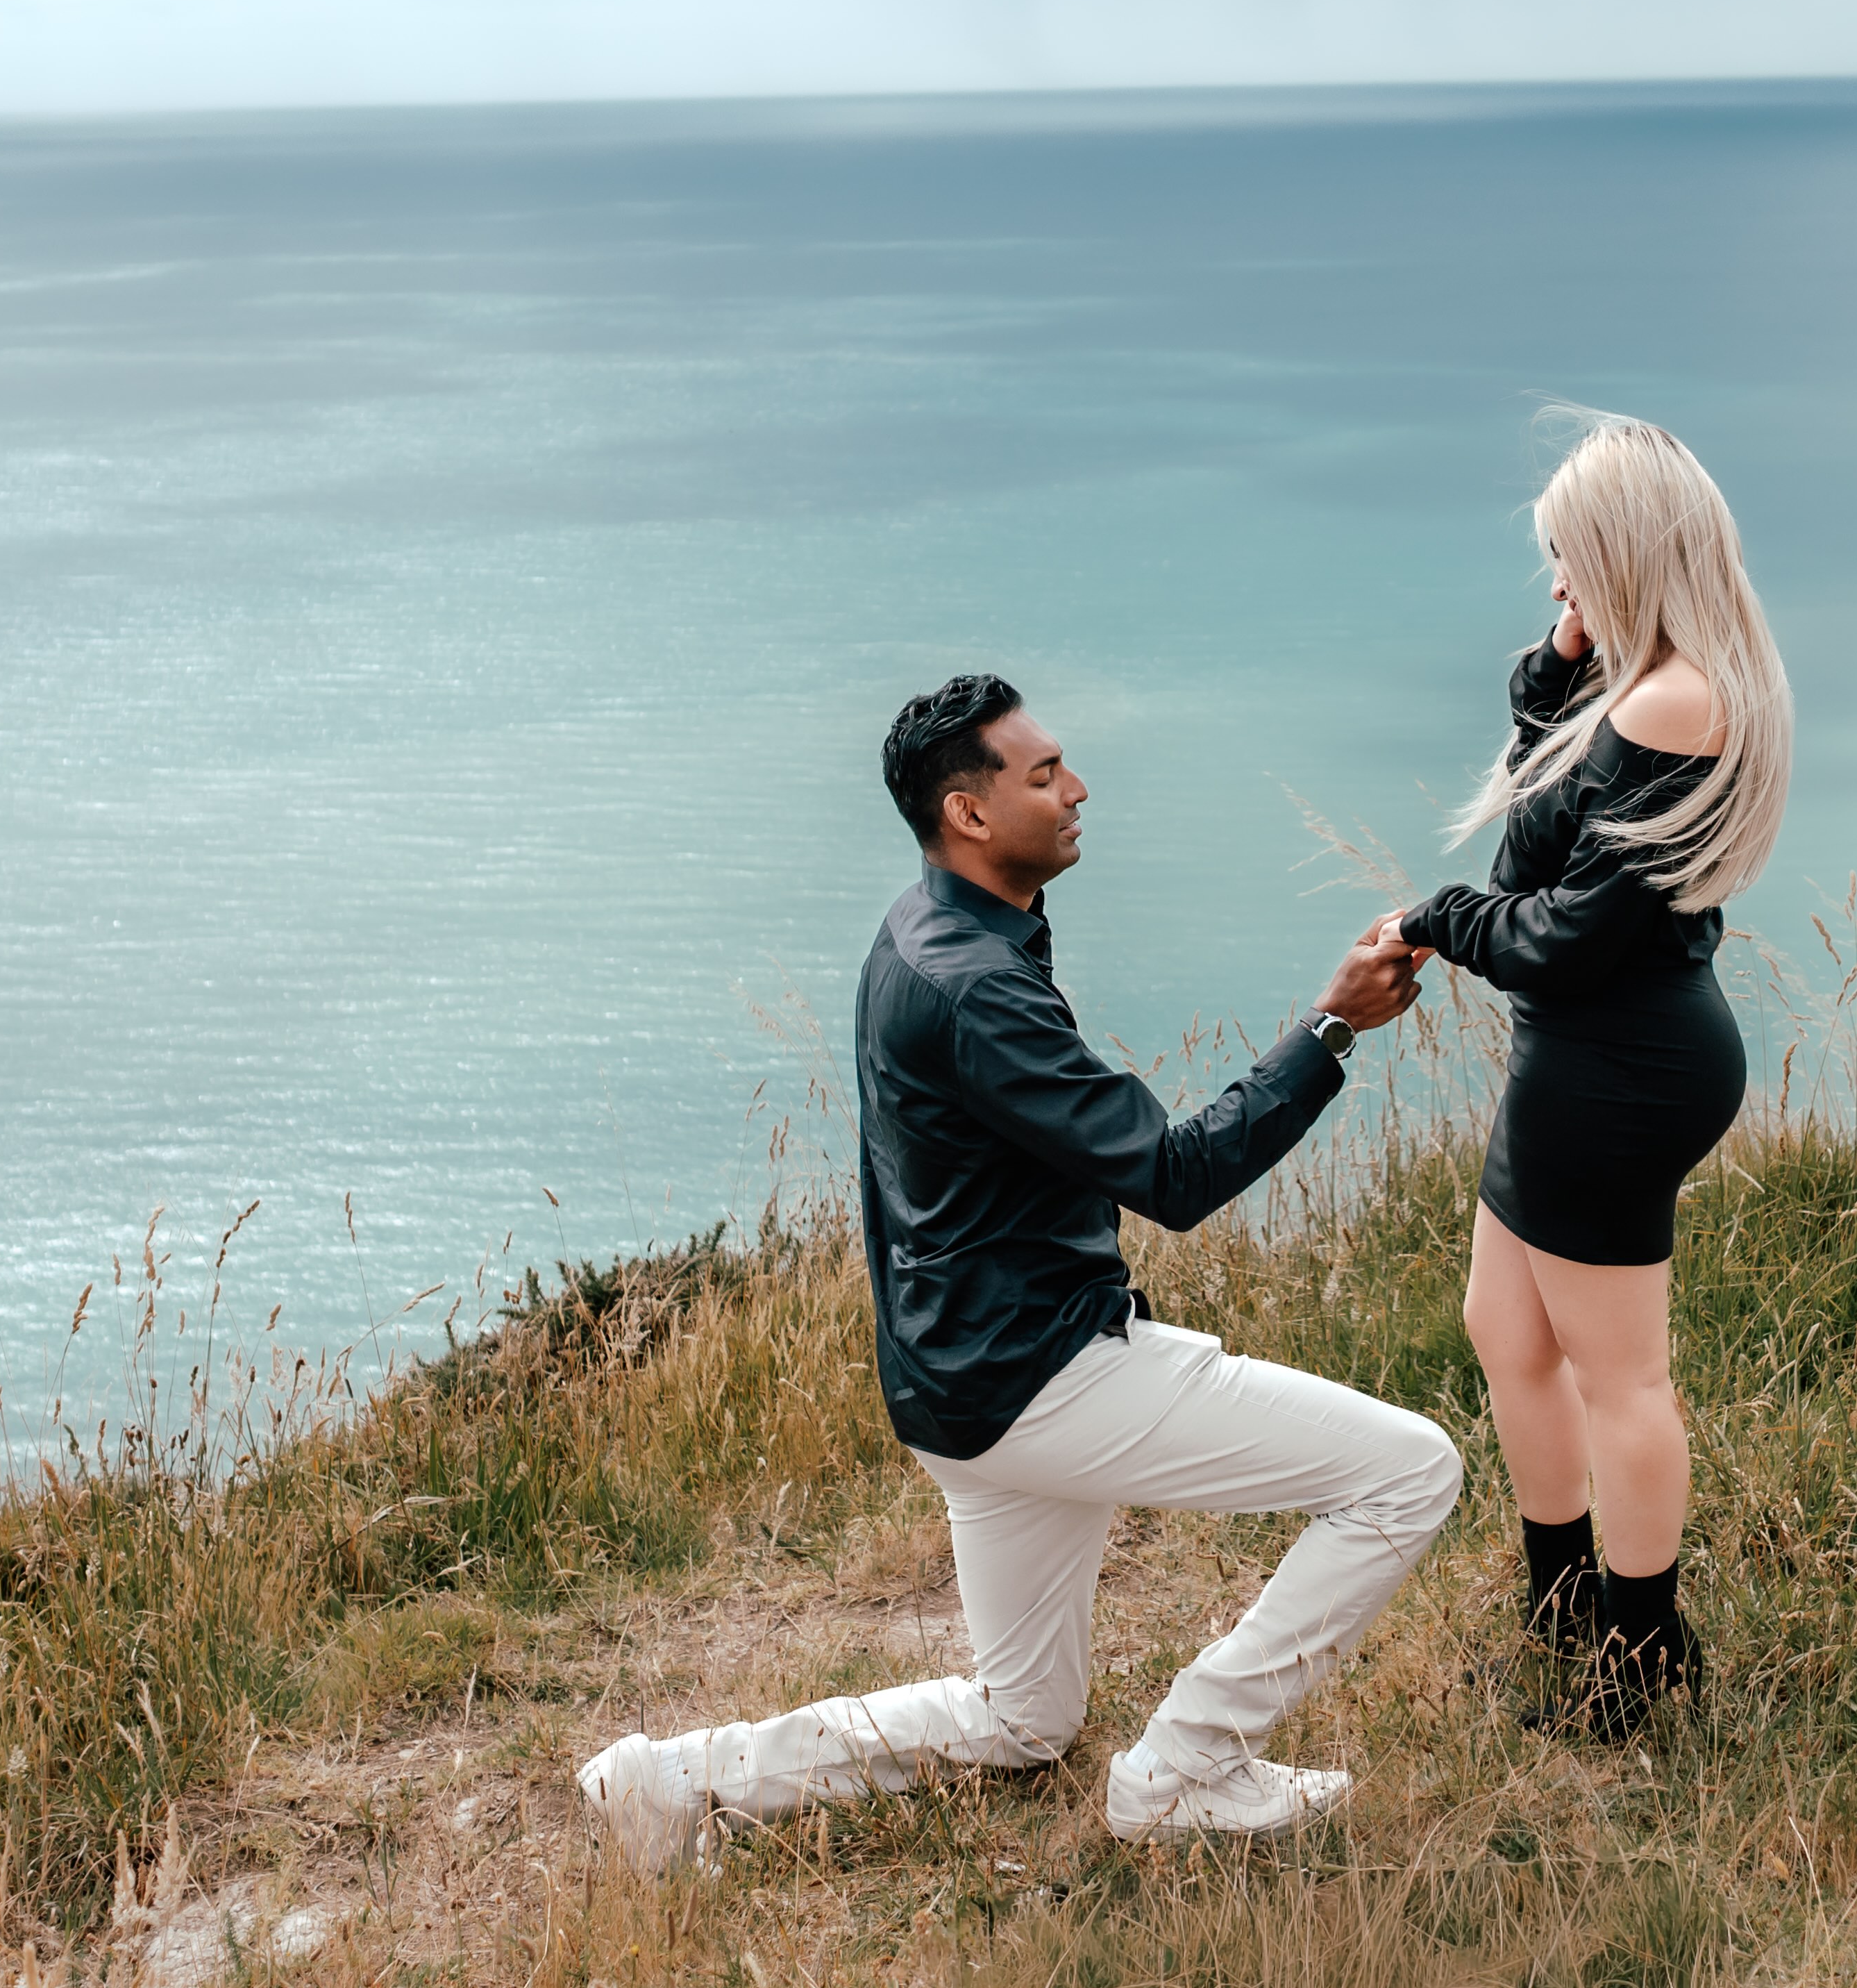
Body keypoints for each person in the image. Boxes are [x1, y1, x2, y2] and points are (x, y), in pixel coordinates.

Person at [578, 672, 1455, 1869]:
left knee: (1023, 1719)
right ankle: (1189, 1766)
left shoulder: (920, 929)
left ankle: (671, 1781)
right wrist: (1333, 1026)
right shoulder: (978, 987)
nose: (1077, 786)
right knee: (1410, 1473)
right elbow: (1178, 1177)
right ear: (971, 814)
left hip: (960, 1380)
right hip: (1042, 1376)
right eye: (1043, 774)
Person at [1394, 419, 1792, 1734]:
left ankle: (1642, 1658)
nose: (1556, 582)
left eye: (1567, 558)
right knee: (1505, 1333)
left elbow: (1555, 934)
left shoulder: (1675, 701)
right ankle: (1562, 1606)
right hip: (1587, 1050)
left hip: (1617, 1063)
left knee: (1623, 1378)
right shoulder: (1646, 680)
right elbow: (1541, 837)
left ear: (1624, 549)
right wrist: (1555, 671)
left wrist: (1437, 919)